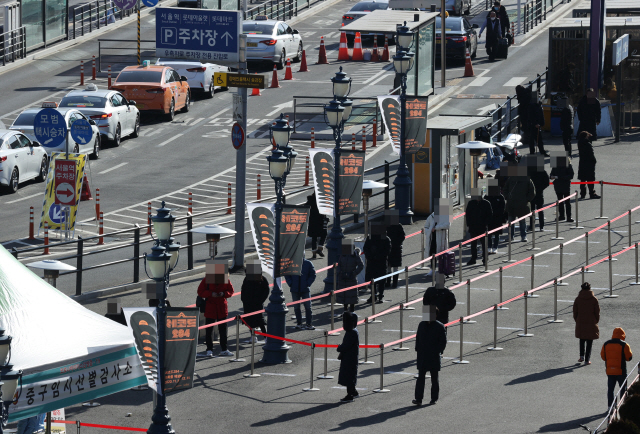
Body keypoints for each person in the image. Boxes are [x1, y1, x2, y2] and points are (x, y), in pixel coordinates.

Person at [197, 261, 235, 357]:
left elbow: (230, 291)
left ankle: (223, 348)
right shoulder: (207, 280)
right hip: (212, 307)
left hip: (219, 307)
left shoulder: (225, 280)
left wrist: (223, 294)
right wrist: (211, 294)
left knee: (222, 330)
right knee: (209, 330)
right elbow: (200, 291)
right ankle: (210, 349)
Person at [413, 304, 447, 406]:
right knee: (420, 378)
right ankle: (418, 399)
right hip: (423, 355)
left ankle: (434, 398)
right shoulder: (421, 324)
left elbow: (443, 342)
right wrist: (417, 349)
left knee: (434, 378)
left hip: (433, 355)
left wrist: (438, 351)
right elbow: (418, 338)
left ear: (435, 315)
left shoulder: (440, 326)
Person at [601, 327, 633, 408]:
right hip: (621, 371)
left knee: (610, 389)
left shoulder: (606, 344)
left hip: (610, 371)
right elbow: (629, 358)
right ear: (623, 335)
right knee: (623, 389)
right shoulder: (624, 345)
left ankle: (610, 407)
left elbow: (603, 357)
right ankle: (622, 406)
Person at [504, 161, 536, 242]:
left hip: (520, 204)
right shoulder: (511, 179)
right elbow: (505, 189)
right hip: (514, 204)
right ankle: (514, 236)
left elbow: (532, 192)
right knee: (513, 222)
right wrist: (507, 196)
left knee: (520, 222)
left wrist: (527, 200)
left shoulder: (526, 179)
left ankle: (522, 236)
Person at [240, 260, 269, 343]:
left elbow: (266, 291)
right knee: (251, 321)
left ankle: (264, 337)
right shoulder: (248, 279)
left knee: (259, 321)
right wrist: (244, 300)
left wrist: (260, 300)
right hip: (249, 303)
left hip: (255, 303)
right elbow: (243, 290)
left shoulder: (261, 279)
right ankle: (255, 337)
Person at [285, 256, 317, 330]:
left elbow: (312, 275)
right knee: (297, 307)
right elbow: (287, 275)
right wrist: (291, 284)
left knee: (308, 307)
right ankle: (299, 323)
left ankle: (309, 323)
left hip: (304, 289)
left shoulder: (308, 263)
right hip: (295, 289)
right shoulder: (291, 263)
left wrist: (307, 283)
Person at [573, 282, 600, 365]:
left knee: (582, 339)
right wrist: (596, 320)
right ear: (589, 288)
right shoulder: (594, 299)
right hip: (591, 322)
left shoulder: (578, 299)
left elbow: (575, 311)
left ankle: (581, 356)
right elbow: (597, 312)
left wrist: (577, 319)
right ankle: (587, 359)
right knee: (589, 341)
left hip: (580, 321)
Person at [363, 223, 391, 303]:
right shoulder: (370, 238)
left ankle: (380, 295)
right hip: (373, 262)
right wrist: (370, 256)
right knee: (372, 280)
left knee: (381, 280)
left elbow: (387, 251)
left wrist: (375, 257)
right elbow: (365, 248)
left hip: (380, 262)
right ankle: (374, 295)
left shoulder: (385, 239)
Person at [465, 188, 492, 266]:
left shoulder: (486, 203)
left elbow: (489, 215)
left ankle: (485, 259)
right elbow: (468, 215)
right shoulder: (471, 203)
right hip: (473, 227)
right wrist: (469, 224)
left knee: (484, 244)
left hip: (483, 227)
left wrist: (486, 224)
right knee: (473, 244)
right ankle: (473, 259)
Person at [336, 239, 364, 314]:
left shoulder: (355, 255)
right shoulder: (343, 255)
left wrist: (354, 273)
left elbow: (361, 265)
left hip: (351, 278)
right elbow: (339, 265)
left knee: (352, 296)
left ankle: (351, 311)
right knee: (344, 295)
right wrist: (340, 273)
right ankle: (345, 311)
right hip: (343, 278)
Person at [424, 199, 451, 277]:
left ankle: (443, 270)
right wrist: (428, 232)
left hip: (441, 239)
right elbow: (426, 226)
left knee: (442, 255)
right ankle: (432, 269)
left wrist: (436, 228)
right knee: (432, 254)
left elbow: (447, 225)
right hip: (432, 239)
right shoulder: (432, 216)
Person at [337, 312, 360, 403]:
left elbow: (346, 345)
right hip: (350, 357)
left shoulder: (352, 332)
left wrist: (339, 348)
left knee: (348, 376)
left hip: (349, 357)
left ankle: (350, 395)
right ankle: (354, 392)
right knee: (350, 375)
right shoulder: (353, 331)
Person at [550, 153, 575, 222]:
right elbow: (571, 176)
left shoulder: (559, 166)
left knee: (563, 201)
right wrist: (553, 176)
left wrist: (558, 177)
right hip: (563, 185)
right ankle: (566, 216)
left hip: (561, 185)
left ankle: (564, 216)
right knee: (565, 202)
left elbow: (571, 176)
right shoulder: (567, 166)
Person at [527, 155, 550, 231]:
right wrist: (540, 189)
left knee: (532, 210)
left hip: (532, 193)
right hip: (539, 192)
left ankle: (532, 226)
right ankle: (541, 226)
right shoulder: (542, 171)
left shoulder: (529, 170)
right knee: (539, 209)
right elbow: (546, 182)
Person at [484, 179, 506, 254]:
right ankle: (489, 247)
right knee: (489, 233)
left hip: (498, 218)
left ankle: (495, 247)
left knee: (497, 233)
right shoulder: (487, 196)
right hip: (490, 218)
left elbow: (503, 208)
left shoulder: (500, 197)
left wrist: (503, 218)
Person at [385, 210, 406, 289]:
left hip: (392, 248)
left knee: (390, 266)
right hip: (395, 248)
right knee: (393, 266)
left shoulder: (387, 226)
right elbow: (402, 236)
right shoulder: (398, 225)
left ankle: (390, 282)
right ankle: (393, 282)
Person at [577, 131, 600, 200]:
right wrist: (594, 161)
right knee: (590, 179)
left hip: (582, 163)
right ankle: (592, 193)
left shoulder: (579, 142)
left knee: (583, 179)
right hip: (589, 163)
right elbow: (591, 154)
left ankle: (582, 194)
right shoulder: (587, 144)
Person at [305, 192, 328, 259]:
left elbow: (305, 208)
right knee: (324, 234)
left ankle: (314, 254)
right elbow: (324, 211)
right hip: (320, 221)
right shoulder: (321, 201)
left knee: (314, 237)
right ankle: (320, 248)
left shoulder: (310, 201)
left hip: (311, 222)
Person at [527, 91, 548, 156]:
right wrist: (535, 123)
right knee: (532, 140)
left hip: (538, 125)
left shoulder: (538, 104)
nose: (539, 98)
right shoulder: (531, 105)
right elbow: (531, 116)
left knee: (539, 139)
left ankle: (542, 151)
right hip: (533, 125)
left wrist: (541, 123)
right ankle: (532, 152)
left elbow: (541, 115)